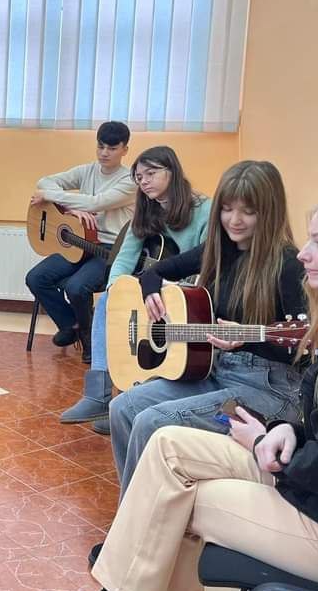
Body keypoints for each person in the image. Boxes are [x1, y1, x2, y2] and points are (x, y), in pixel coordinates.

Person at [40, 190, 318, 591]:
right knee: (167, 446)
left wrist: (266, 446)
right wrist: (288, 430)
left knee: (172, 502)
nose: (303, 253)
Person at [108, 160, 307, 493]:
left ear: (269, 212)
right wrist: (150, 291)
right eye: (227, 209)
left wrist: (246, 341)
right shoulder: (219, 250)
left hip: (269, 389)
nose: (235, 220)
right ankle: (137, 513)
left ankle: (143, 519)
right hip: (218, 372)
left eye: (248, 211)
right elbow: (154, 273)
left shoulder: (288, 265)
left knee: (150, 422)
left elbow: (304, 352)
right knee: (122, 407)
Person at [60, 146, 211, 433]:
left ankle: (132, 404)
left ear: (172, 171)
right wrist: (117, 291)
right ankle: (99, 393)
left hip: (188, 294)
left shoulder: (204, 209)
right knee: (108, 300)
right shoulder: (145, 210)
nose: (144, 181)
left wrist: (167, 286)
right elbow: (125, 257)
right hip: (151, 289)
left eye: (151, 173)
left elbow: (208, 264)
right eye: (139, 177)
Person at [25, 121, 136, 362]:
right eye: (101, 146)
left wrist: (52, 197)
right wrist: (70, 209)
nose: (104, 153)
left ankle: (90, 340)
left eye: (112, 148)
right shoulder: (87, 170)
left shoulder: (130, 181)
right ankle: (72, 325)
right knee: (35, 278)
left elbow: (96, 203)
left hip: (108, 249)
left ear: (125, 150)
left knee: (76, 287)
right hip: (80, 241)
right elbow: (45, 181)